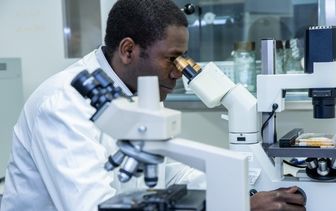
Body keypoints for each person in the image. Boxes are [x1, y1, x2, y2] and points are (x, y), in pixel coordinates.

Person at [0, 0, 306, 211]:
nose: (179, 72)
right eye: (172, 59)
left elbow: (166, 171)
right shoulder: (63, 103)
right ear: (129, 50)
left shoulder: (138, 91)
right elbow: (93, 206)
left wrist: (249, 184)